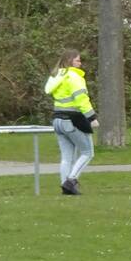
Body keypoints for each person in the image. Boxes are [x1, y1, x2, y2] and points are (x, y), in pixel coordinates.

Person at [44, 49, 98, 195]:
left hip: (57, 120)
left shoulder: (57, 77)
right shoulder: (74, 77)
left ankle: (65, 186)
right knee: (88, 152)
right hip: (73, 119)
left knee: (66, 157)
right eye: (77, 60)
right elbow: (81, 99)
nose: (80, 63)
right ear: (70, 61)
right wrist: (92, 117)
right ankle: (71, 180)